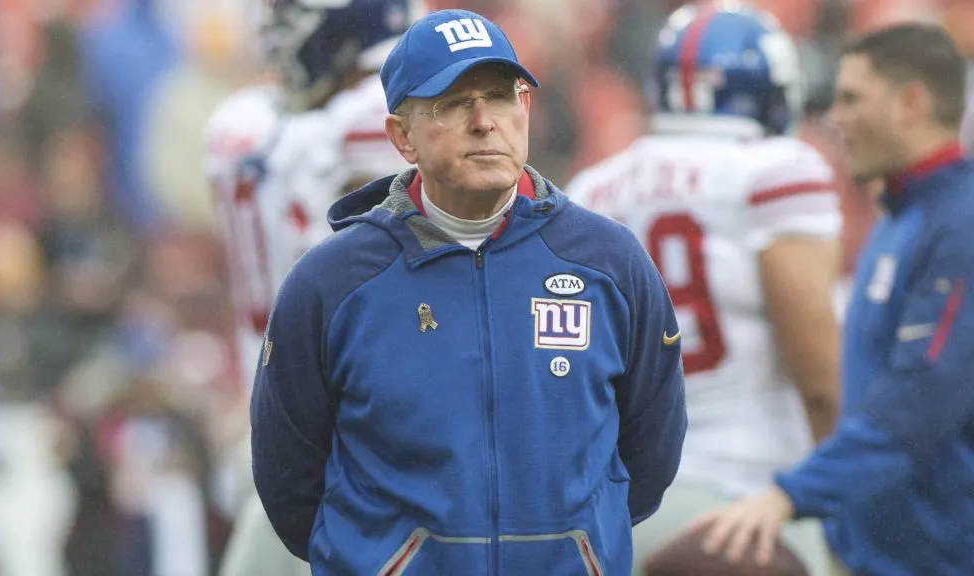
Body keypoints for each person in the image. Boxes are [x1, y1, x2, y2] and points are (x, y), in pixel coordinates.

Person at [251, 8, 688, 575]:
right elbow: (289, 479)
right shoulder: (330, 283)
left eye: (502, 97)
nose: (485, 121)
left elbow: (651, 451)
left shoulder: (609, 262)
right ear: (401, 136)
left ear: (526, 110)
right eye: (454, 103)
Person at [566, 4, 841, 575]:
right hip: (743, 495)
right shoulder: (776, 169)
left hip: (611, 503)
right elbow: (820, 383)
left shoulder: (592, 187)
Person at [691, 23, 974, 576]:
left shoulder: (960, 227)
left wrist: (790, 496)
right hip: (881, 551)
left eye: (851, 99)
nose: (835, 118)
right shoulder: (899, 220)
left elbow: (918, 403)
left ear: (910, 103)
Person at [203, 1, 418, 574]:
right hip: (349, 434)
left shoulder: (241, 122)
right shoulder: (371, 114)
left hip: (294, 430)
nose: (276, 29)